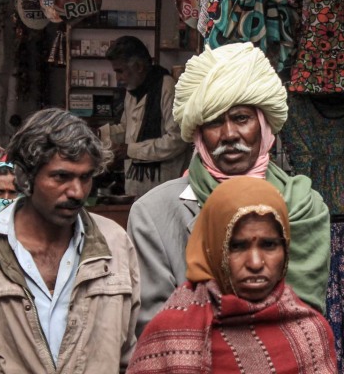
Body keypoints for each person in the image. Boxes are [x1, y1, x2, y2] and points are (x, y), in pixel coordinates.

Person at [128, 42, 330, 336]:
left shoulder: (304, 205)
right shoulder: (153, 213)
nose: (229, 134)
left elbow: (305, 320)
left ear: (263, 125)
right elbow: (159, 332)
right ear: (198, 133)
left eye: (241, 118)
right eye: (213, 121)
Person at [0, 108, 140, 373]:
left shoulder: (115, 245)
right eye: (61, 177)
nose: (77, 191)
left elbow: (128, 351)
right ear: (25, 178)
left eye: (85, 177)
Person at [127, 177, 337, 373]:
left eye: (269, 245)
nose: (255, 263)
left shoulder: (310, 333)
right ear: (213, 250)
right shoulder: (169, 332)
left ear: (286, 249)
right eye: (237, 246)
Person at [99, 35, 192, 198]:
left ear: (139, 66)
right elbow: (127, 128)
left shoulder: (167, 88)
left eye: (120, 71)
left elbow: (177, 140)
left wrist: (131, 150)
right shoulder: (133, 90)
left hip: (163, 186)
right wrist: (99, 134)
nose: (118, 78)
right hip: (136, 184)